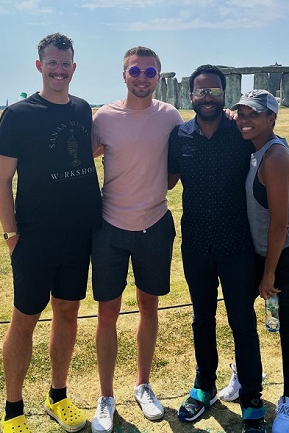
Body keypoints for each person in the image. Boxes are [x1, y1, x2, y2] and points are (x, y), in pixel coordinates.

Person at [168, 66, 289, 433]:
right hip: (196, 243)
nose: (207, 97)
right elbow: (166, 180)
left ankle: (250, 397)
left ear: (224, 93)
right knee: (202, 319)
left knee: (242, 323)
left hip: (237, 245)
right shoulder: (178, 135)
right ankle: (204, 386)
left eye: (214, 91)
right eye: (200, 92)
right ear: (190, 96)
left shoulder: (241, 132)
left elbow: (278, 164)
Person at [0, 33, 102, 433]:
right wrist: (11, 235)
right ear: (39, 66)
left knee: (68, 314)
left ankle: (58, 395)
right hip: (34, 236)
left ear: (74, 67)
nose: (59, 70)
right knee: (24, 319)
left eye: (66, 63)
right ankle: (13, 410)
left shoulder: (81, 108)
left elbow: (78, 150)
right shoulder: (19, 114)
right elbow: (2, 180)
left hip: (79, 233)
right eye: (52, 63)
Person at [90, 46, 183, 433]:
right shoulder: (104, 118)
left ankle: (143, 385)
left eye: (149, 71)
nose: (142, 77)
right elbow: (78, 159)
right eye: (135, 70)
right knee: (107, 311)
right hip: (110, 226)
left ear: (158, 77)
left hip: (155, 224)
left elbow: (179, 163)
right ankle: (106, 396)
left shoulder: (170, 117)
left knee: (149, 306)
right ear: (124, 74)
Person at [220, 89, 289, 433]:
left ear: (272, 118)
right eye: (241, 112)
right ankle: (248, 374)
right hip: (258, 252)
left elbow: (277, 224)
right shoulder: (255, 145)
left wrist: (269, 274)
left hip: (285, 254)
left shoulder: (273, 157)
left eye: (254, 114)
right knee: (242, 318)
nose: (245, 119)